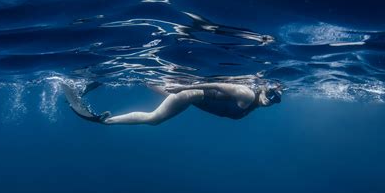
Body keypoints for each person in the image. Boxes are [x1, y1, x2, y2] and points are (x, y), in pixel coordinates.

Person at [62, 81, 282, 125]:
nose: (270, 101)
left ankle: (138, 78)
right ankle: (106, 121)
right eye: (270, 95)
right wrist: (183, 89)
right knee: (154, 119)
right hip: (189, 95)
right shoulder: (246, 93)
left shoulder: (255, 102)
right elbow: (216, 84)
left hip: (192, 98)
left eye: (275, 100)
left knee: (151, 84)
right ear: (263, 89)